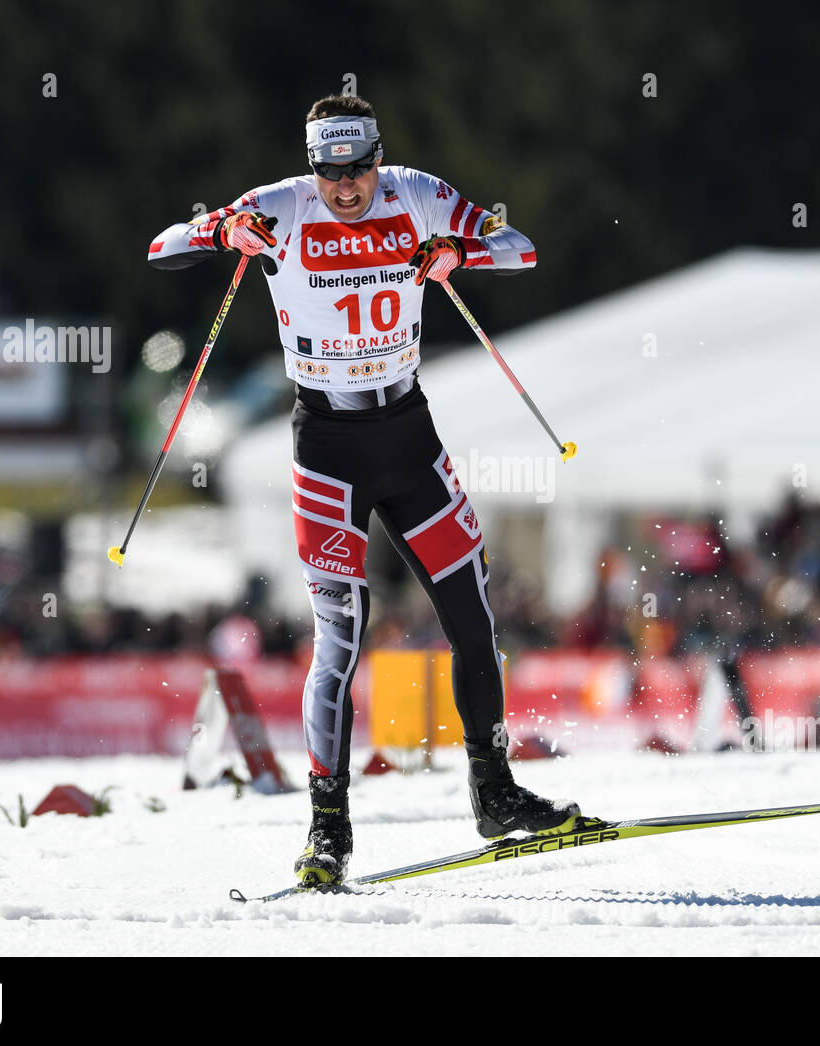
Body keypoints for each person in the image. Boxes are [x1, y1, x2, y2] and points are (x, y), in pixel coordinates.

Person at [147, 93, 579, 887]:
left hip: (409, 434)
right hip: (328, 446)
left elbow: (520, 248)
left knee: (473, 616)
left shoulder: (416, 191)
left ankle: (496, 793)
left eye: (358, 168)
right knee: (340, 640)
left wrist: (460, 253)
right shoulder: (280, 205)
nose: (346, 186)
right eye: (329, 170)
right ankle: (328, 830)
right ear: (312, 166)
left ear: (379, 155)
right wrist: (221, 230)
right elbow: (160, 247)